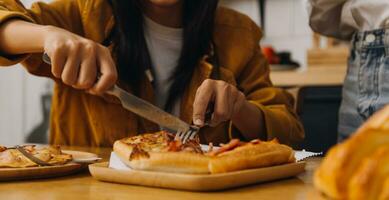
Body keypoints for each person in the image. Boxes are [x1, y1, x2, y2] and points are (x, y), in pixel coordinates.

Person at [0, 0, 304, 147]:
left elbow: (289, 132)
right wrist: (48, 36)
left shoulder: (238, 33)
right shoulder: (85, 13)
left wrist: (240, 109)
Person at [309, 0, 389, 141]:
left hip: (370, 47)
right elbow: (322, 17)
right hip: (365, 52)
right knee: (351, 161)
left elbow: (322, 16)